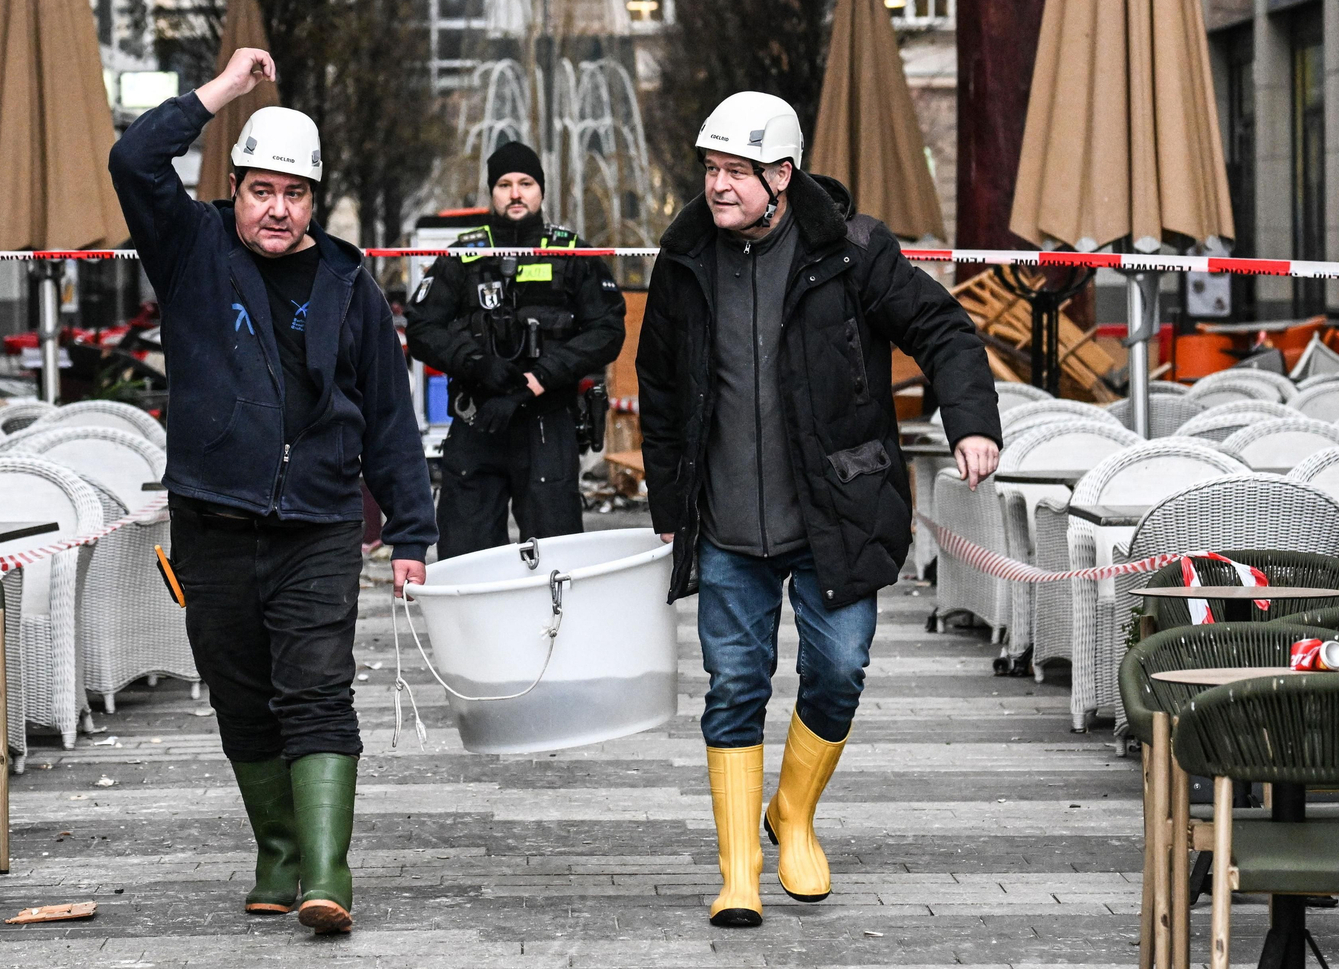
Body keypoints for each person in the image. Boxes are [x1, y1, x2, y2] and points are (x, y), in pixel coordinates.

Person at [636, 91, 1001, 929]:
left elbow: (943, 329)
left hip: (837, 513)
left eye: (736, 171)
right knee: (734, 685)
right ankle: (738, 873)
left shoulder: (853, 249)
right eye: (711, 168)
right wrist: (668, 500)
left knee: (838, 670)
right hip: (727, 523)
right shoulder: (685, 253)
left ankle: (791, 813)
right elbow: (659, 384)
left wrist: (971, 422)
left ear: (782, 175)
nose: (717, 186)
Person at [108, 47, 437, 937]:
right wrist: (221, 91)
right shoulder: (190, 247)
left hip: (320, 520)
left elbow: (389, 419)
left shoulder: (349, 284)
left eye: (294, 193)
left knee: (319, 687)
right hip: (212, 514)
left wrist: (411, 531)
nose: (278, 209)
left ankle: (328, 871)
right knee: (239, 688)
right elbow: (133, 158)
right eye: (261, 190)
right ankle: (278, 850)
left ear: (313, 199)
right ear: (238, 188)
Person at [405, 141, 626, 558]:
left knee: (555, 563)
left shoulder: (572, 253)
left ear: (541, 190)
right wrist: (476, 363)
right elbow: (421, 327)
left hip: (547, 422)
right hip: (479, 420)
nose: (516, 193)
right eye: (504, 184)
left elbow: (608, 330)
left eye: (526, 183)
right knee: (466, 557)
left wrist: (538, 379)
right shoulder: (464, 256)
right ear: (492, 193)